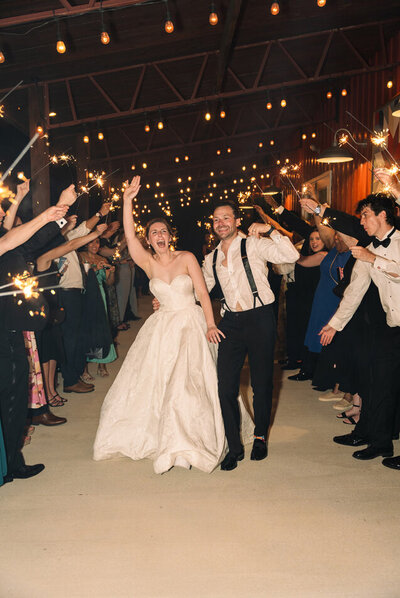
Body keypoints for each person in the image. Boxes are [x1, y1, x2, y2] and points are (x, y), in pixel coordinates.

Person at [94, 176, 231, 474]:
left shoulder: (187, 258)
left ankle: (185, 445)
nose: (159, 235)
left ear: (171, 235)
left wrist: (210, 324)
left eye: (163, 231)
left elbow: (203, 294)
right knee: (162, 384)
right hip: (163, 328)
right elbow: (129, 238)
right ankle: (168, 441)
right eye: (154, 232)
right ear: (149, 238)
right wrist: (128, 200)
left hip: (191, 325)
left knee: (187, 384)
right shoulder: (147, 262)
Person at [202, 201, 300, 470]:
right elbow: (200, 290)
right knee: (225, 387)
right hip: (230, 322)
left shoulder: (254, 243)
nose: (220, 223)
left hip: (260, 318)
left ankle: (260, 437)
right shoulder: (211, 258)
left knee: (262, 384)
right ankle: (234, 446)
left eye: (226, 218)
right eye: (216, 219)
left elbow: (290, 256)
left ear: (236, 221)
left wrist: (270, 229)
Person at [319, 194, 400, 465]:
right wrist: (334, 324)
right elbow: (354, 292)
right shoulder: (367, 249)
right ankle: (380, 443)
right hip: (393, 326)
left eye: (365, 215)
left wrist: (372, 257)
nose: (361, 221)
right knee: (381, 384)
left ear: (383, 215)